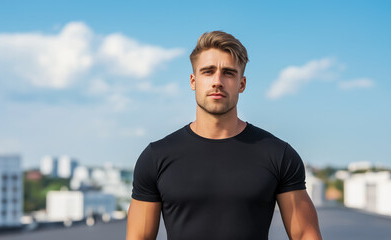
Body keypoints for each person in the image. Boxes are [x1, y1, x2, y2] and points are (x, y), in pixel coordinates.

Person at [127, 31, 322, 240]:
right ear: (193, 81)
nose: (217, 81)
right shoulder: (156, 157)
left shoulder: (278, 154)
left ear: (242, 84)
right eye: (208, 71)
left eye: (228, 73)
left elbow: (305, 235)